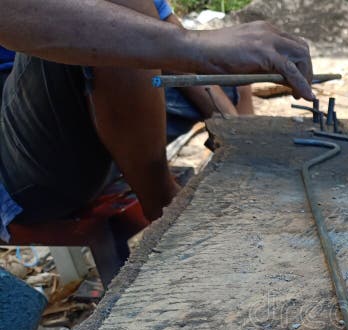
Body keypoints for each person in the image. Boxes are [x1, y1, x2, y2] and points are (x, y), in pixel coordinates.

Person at [0, 0, 313, 241]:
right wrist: (195, 46)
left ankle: (244, 158)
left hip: (89, 130)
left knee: (235, 68)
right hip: (19, 168)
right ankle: (163, 204)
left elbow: (163, 29)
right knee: (127, 19)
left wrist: (238, 131)